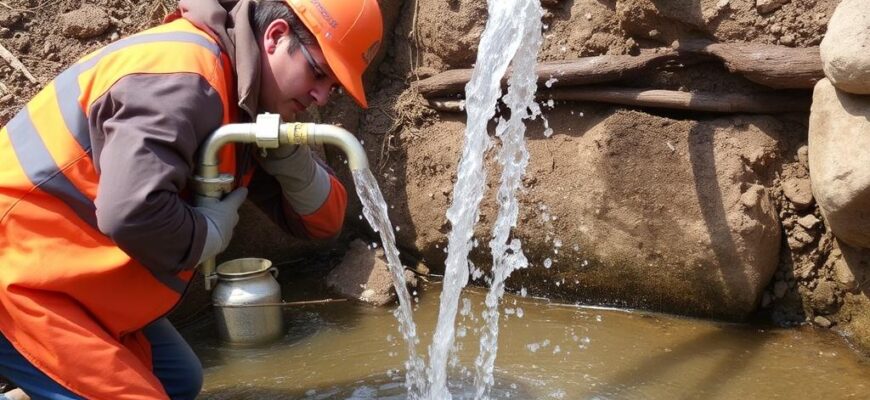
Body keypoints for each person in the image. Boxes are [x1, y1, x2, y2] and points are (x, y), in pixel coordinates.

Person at [0, 0, 382, 398]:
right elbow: (131, 211)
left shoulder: (241, 99)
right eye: (317, 72)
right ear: (275, 36)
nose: (321, 96)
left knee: (178, 380)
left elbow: (320, 223)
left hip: (62, 271)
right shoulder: (184, 77)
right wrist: (204, 233)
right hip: (18, 273)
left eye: (333, 86)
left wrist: (292, 161)